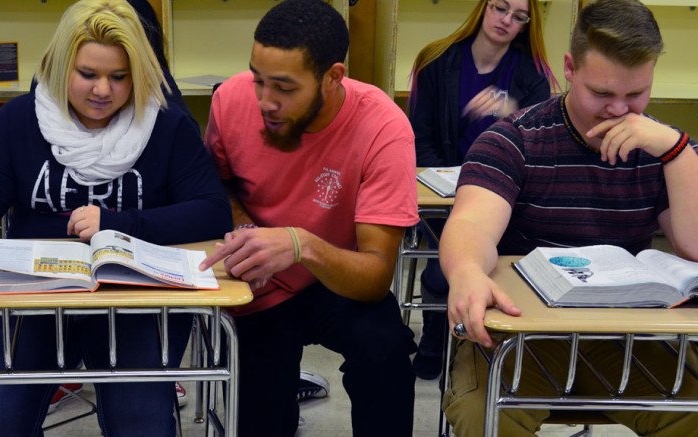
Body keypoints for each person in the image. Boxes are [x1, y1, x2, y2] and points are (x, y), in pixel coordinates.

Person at [0, 0, 231, 435]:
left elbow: (211, 211)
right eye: (88, 75)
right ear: (60, 68)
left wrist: (120, 225)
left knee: (143, 425)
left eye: (119, 77)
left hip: (132, 301)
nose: (102, 91)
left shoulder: (165, 125)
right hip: (32, 300)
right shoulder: (21, 119)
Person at [438, 0, 698, 435]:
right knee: (483, 417)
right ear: (570, 69)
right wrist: (465, 271)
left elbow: (693, 246)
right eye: (602, 94)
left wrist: (677, 152)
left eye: (636, 94)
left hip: (625, 340)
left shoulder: (663, 150)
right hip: (523, 339)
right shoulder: (514, 140)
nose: (620, 111)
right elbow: (471, 225)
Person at [198, 0, 419, 435]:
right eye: (258, 79)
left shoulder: (383, 128)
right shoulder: (229, 101)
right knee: (262, 412)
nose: (265, 100)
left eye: (283, 87)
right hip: (255, 285)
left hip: (333, 277)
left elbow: (375, 275)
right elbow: (215, 188)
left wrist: (301, 244)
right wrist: (246, 229)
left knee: (386, 353)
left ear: (333, 76)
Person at [407, 0, 558, 380]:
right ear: (483, 7)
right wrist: (451, 184)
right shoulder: (436, 60)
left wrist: (512, 114)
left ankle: (483, 346)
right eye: (500, 8)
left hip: (505, 198)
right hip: (441, 192)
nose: (506, 20)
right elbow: (419, 140)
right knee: (442, 264)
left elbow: (539, 151)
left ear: (527, 25)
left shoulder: (532, 75)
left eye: (519, 16)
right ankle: (437, 340)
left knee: (486, 260)